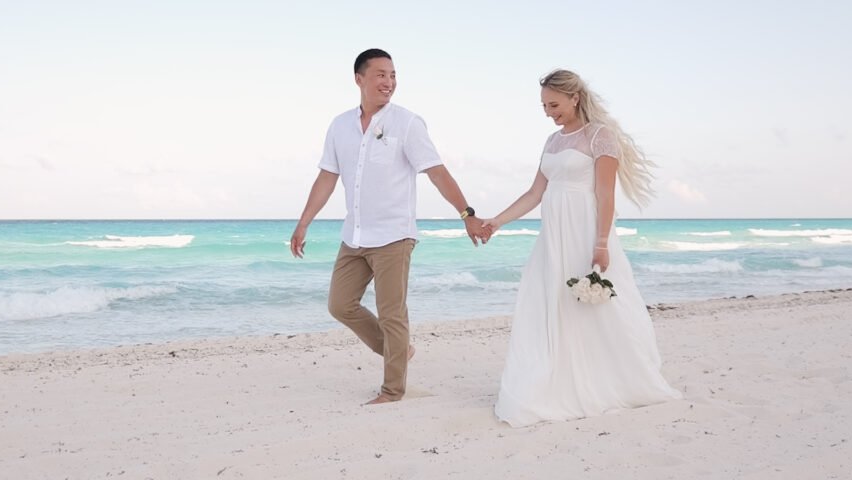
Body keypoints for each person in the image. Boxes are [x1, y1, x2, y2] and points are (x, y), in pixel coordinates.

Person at [482, 69, 681, 426]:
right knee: (554, 303)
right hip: (553, 236)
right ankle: (557, 378)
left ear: (575, 97)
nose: (548, 112)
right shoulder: (552, 142)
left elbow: (605, 196)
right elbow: (534, 194)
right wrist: (497, 221)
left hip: (586, 231)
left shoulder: (600, 137)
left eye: (554, 104)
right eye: (544, 105)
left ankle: (611, 379)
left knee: (596, 308)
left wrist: (601, 243)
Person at [290, 48, 485, 405]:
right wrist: (304, 222)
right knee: (339, 304)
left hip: (394, 235)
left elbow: (436, 172)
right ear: (359, 79)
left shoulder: (408, 123)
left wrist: (466, 214)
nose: (389, 82)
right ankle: (399, 351)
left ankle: (393, 391)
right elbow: (327, 177)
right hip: (355, 235)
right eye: (381, 74)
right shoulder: (339, 126)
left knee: (392, 314)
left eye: (393, 75)